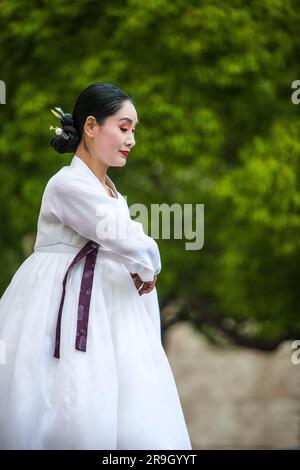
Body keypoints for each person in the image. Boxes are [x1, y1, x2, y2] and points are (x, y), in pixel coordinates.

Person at [0, 82, 192, 450]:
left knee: (128, 404)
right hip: (62, 303)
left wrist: (139, 264)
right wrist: (147, 266)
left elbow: (124, 241)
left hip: (107, 305)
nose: (131, 139)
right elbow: (131, 240)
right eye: (123, 127)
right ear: (91, 126)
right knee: (70, 400)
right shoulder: (68, 184)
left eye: (134, 130)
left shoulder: (110, 191)